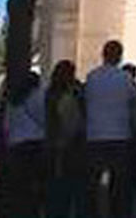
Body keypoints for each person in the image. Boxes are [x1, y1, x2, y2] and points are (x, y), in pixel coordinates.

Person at [85, 40, 136, 218]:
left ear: (103, 55)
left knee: (93, 184)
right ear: (119, 56)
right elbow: (134, 104)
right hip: (120, 135)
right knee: (120, 186)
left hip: (95, 135)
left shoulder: (92, 77)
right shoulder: (126, 78)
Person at [5, 71, 47, 218]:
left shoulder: (12, 101)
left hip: (16, 146)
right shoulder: (37, 97)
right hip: (35, 144)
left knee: (20, 186)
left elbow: (7, 126)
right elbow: (44, 119)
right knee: (36, 185)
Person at [46, 60, 86, 218]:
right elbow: (74, 124)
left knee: (56, 194)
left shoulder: (49, 94)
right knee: (75, 192)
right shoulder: (72, 95)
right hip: (71, 149)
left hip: (53, 147)